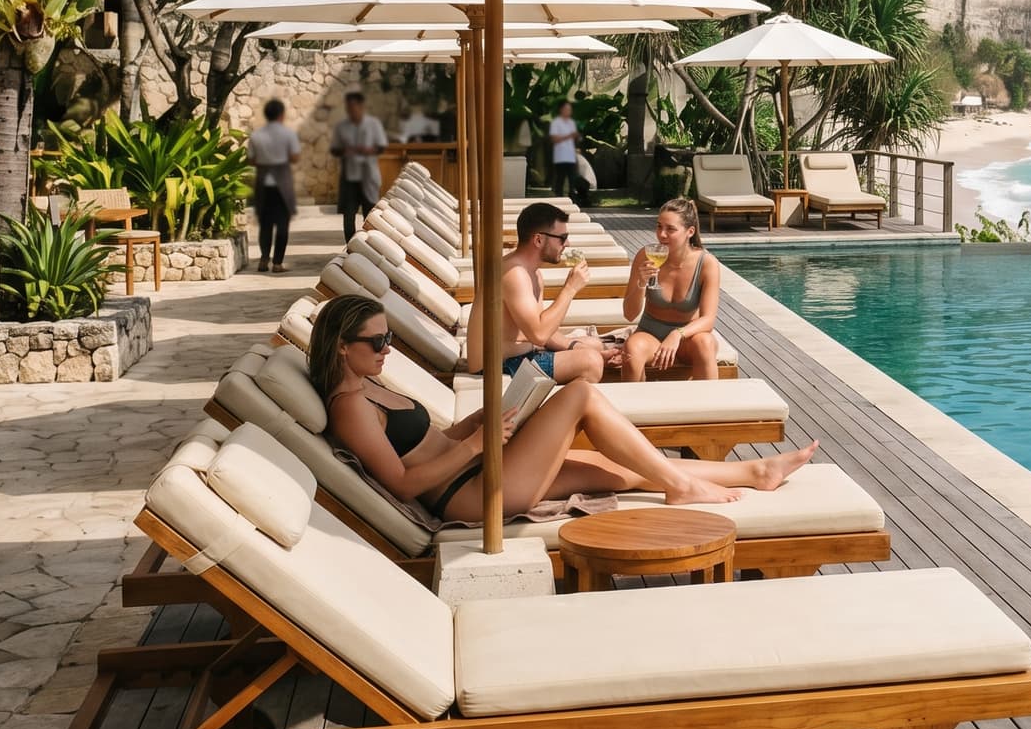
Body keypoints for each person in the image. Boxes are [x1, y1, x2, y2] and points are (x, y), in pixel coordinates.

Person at [316, 295, 817, 517]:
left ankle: (756, 471)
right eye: (377, 342)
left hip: (477, 467)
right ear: (341, 346)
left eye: (388, 339)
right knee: (579, 393)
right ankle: (683, 487)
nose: (387, 350)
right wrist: (475, 444)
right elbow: (402, 485)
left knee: (615, 468)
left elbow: (427, 444)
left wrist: (480, 420)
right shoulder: (349, 407)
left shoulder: (368, 386)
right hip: (469, 494)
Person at [463, 201, 605, 384]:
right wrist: (570, 289)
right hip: (495, 367)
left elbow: (543, 329)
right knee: (591, 362)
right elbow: (539, 335)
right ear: (538, 240)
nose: (567, 244)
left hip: (519, 356)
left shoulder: (533, 274)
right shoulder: (514, 274)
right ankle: (571, 398)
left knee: (595, 346)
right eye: (562, 238)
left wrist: (576, 346)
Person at [620, 198, 724, 381]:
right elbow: (629, 314)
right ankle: (635, 399)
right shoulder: (646, 256)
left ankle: (709, 399)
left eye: (670, 229)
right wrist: (641, 283)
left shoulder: (707, 264)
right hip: (650, 335)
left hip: (687, 340)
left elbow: (708, 320)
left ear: (690, 232)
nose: (662, 234)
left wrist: (677, 334)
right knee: (631, 350)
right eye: (659, 226)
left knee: (705, 343)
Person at [246, 98, 300, 273]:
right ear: (281, 115)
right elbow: (295, 157)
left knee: (265, 224)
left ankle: (264, 259)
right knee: (283, 225)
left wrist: (265, 161)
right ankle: (277, 263)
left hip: (263, 183)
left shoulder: (256, 135)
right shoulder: (288, 134)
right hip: (282, 182)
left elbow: (251, 160)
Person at [329, 90, 388, 242]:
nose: (351, 111)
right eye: (348, 107)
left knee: (370, 216)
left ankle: (370, 246)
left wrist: (369, 150)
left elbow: (381, 146)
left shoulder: (373, 124)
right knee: (348, 216)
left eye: (354, 107)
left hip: (369, 176)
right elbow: (334, 149)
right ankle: (350, 247)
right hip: (349, 177)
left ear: (361, 106)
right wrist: (345, 151)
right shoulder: (341, 127)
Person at [546, 100, 591, 203]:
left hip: (571, 156)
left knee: (572, 179)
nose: (568, 111)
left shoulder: (571, 123)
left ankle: (573, 198)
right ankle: (559, 198)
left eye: (570, 109)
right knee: (560, 179)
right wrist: (569, 136)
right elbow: (554, 139)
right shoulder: (556, 123)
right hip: (560, 156)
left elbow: (573, 139)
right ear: (561, 110)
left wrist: (577, 139)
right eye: (566, 109)